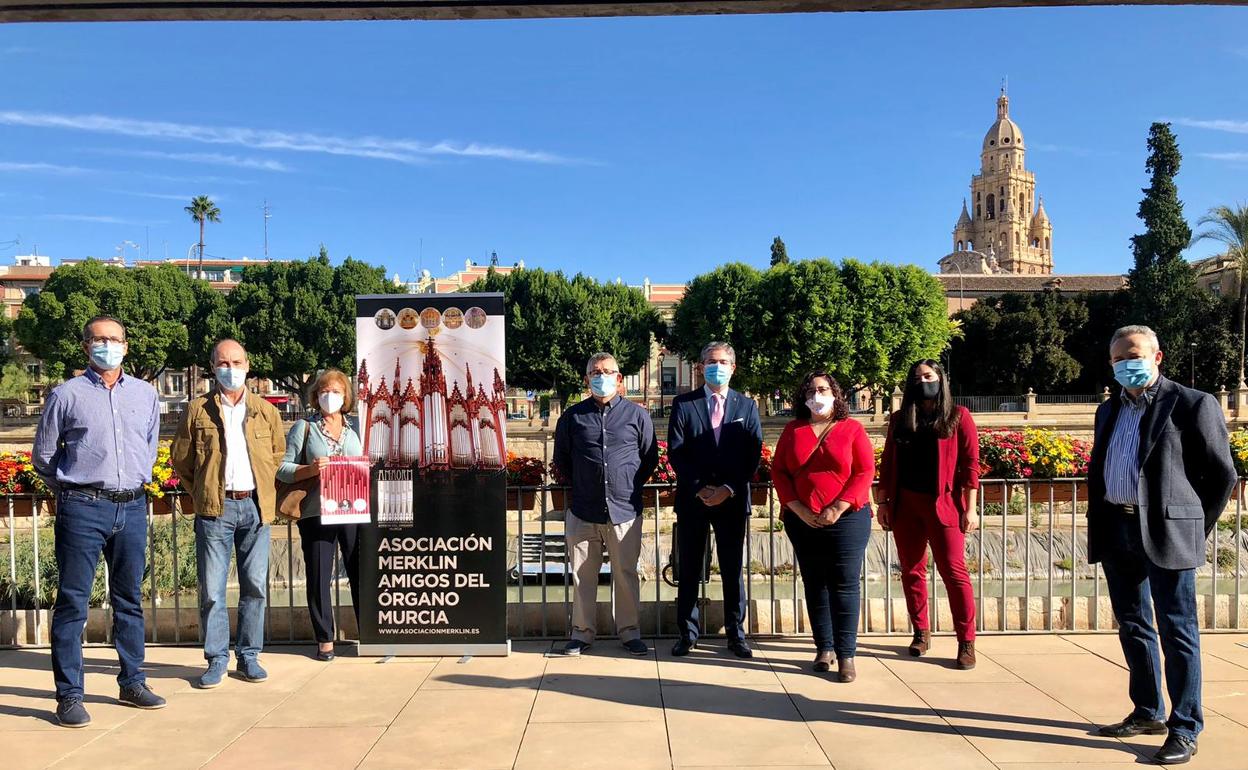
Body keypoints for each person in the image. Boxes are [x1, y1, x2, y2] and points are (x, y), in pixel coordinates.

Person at [1088, 325, 1235, 765]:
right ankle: (1147, 711)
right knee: (1132, 624)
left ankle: (1185, 726)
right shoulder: (1108, 410)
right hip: (1117, 530)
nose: (1124, 364)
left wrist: (1192, 526)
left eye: (1132, 355)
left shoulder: (1192, 404)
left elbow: (1221, 475)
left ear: (1157, 357)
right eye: (1117, 359)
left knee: (1178, 630)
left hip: (1167, 533)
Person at [32, 315, 166, 727]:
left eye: (115, 339)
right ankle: (69, 695)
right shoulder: (66, 395)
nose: (108, 345)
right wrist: (73, 493)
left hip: (132, 507)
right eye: (99, 339)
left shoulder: (145, 395)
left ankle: (132, 681)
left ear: (126, 346)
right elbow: (44, 457)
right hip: (83, 507)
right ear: (86, 345)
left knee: (129, 600)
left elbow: (149, 444)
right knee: (73, 603)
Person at [172, 339, 286, 688]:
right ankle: (216, 659)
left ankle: (249, 656)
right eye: (223, 362)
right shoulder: (197, 410)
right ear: (213, 366)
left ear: (247, 365)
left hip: (255, 506)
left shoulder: (266, 411)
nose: (231, 369)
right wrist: (203, 491)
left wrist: (261, 487)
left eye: (236, 362)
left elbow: (276, 455)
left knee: (255, 587)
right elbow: (181, 459)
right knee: (212, 591)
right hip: (215, 508)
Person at [552, 352, 659, 656]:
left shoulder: (637, 416)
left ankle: (629, 633)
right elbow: (562, 460)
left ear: (619, 378)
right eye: (594, 372)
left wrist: (626, 483)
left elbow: (648, 458)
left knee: (626, 574)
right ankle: (582, 634)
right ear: (586, 379)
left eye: (606, 371)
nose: (601, 376)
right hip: (583, 509)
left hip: (625, 510)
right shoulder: (572, 417)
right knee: (583, 575)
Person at [877, 359, 980, 669]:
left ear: (941, 378)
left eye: (929, 375)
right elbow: (889, 463)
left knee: (954, 572)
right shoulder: (900, 419)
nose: (923, 381)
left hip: (944, 504)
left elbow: (970, 465)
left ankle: (966, 641)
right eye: (917, 377)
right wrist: (883, 503)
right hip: (907, 504)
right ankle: (921, 631)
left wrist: (971, 508)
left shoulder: (958, 417)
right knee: (911, 570)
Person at [772, 370, 874, 682]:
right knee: (814, 583)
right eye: (811, 390)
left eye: (823, 389)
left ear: (834, 394)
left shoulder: (852, 429)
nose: (817, 395)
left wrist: (838, 507)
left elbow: (864, 471)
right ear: (803, 398)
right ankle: (824, 647)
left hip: (847, 519)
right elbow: (780, 473)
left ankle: (846, 654)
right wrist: (798, 508)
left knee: (844, 584)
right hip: (803, 520)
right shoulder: (793, 430)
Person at [667, 342, 762, 658]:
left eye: (722, 361)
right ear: (700, 366)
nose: (716, 366)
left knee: (733, 570)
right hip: (694, 501)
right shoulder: (684, 404)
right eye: (710, 361)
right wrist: (699, 488)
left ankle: (736, 634)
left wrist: (728, 489)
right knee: (690, 568)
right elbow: (677, 452)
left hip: (732, 501)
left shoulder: (746, 407)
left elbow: (752, 455)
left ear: (733, 367)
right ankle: (687, 634)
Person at [277, 369, 363, 661]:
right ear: (316, 395)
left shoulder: (357, 428)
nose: (331, 397)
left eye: (337, 392)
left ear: (346, 396)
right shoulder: (303, 427)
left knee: (359, 572)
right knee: (318, 575)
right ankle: (325, 637)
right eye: (325, 391)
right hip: (316, 512)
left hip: (354, 508)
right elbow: (283, 469)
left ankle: (367, 630)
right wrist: (311, 469)